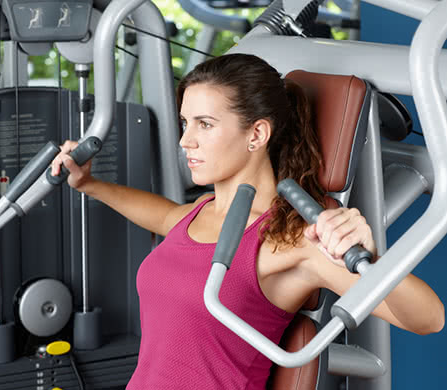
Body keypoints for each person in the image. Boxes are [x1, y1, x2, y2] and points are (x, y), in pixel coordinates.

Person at [51, 53, 444, 389]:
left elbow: (429, 318)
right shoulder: (201, 211)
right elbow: (163, 214)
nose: (186, 140)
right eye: (185, 123)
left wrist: (369, 259)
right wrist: (91, 184)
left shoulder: (289, 240)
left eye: (204, 124)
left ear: (256, 134)